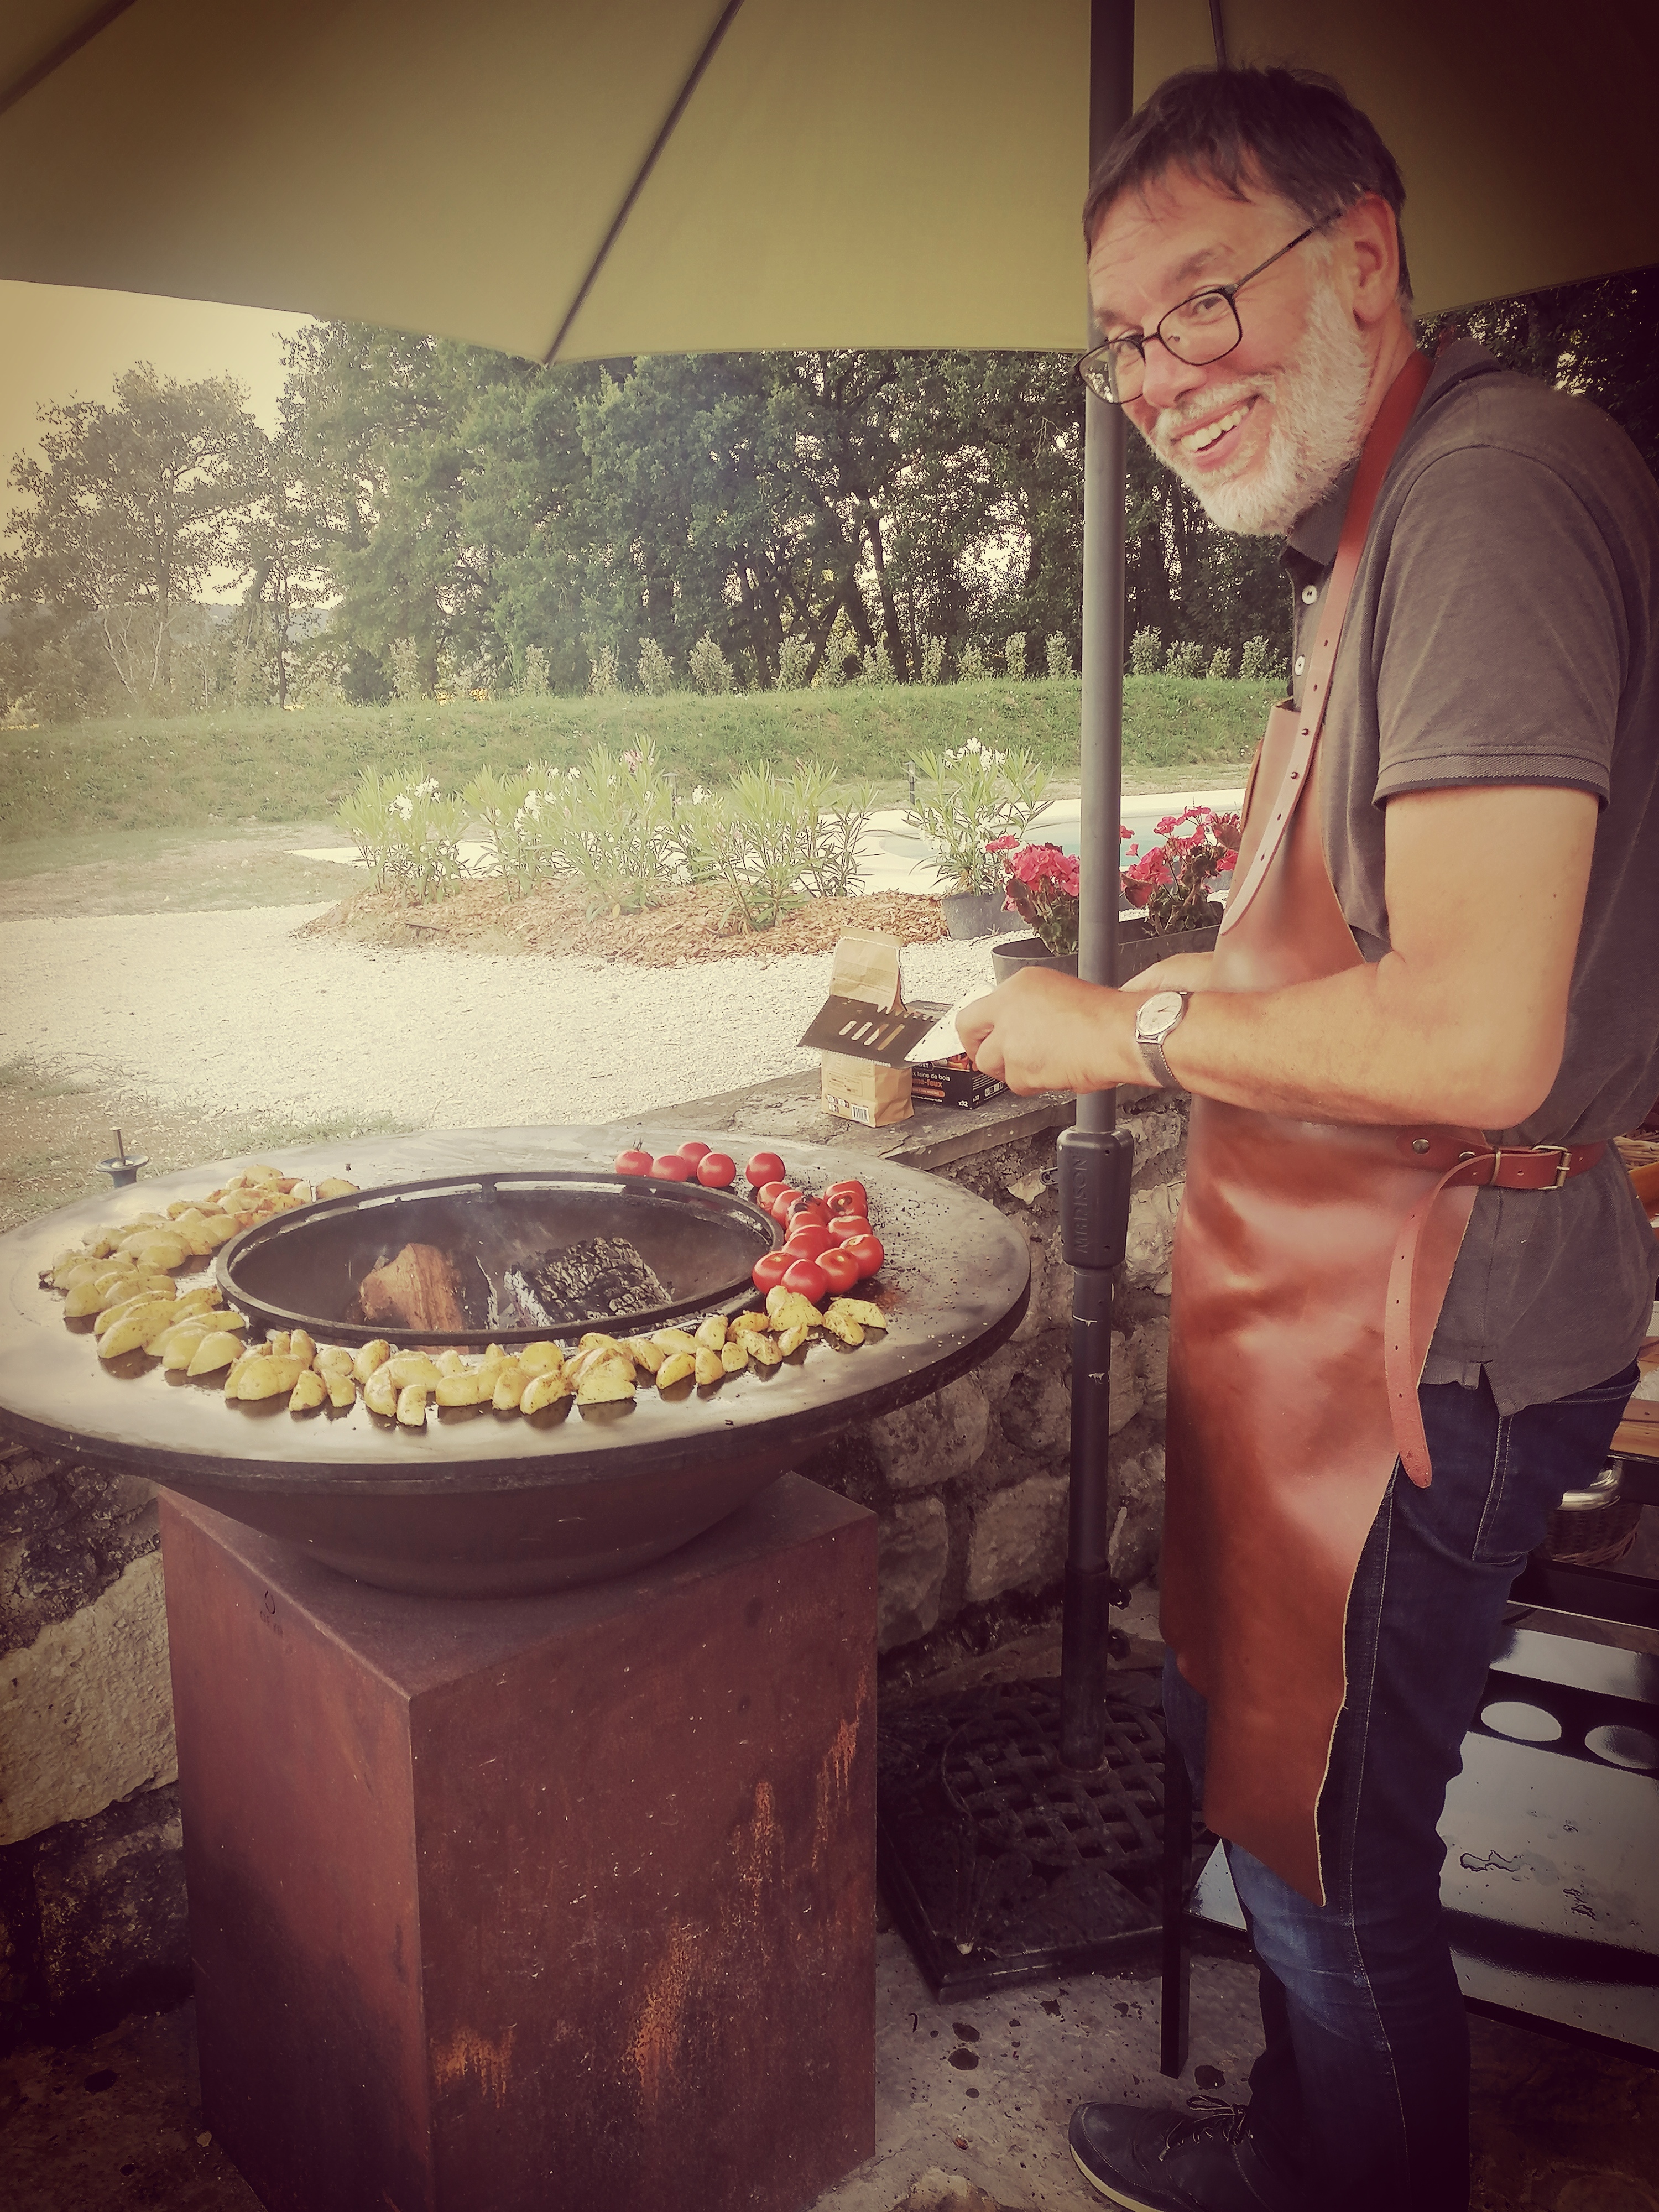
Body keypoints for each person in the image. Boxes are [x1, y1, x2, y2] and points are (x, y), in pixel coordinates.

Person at [958, 65, 1659, 2212]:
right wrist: (1179, 970)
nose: (1161, 374)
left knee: (1334, 1857)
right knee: (1250, 1774)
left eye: (1205, 300)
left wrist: (1127, 1020)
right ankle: (1296, 2140)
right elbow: (1378, 924)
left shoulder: (1489, 495)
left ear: (1363, 253)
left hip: (1433, 1352)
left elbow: (1471, 1024)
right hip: (1346, 1328)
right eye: (1123, 337)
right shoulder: (1384, 520)